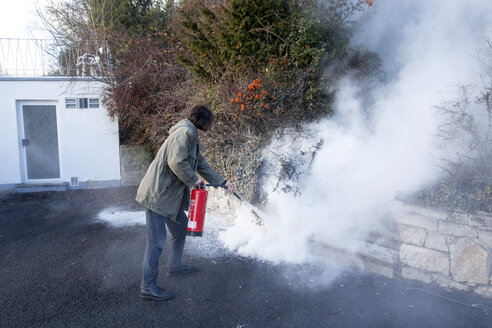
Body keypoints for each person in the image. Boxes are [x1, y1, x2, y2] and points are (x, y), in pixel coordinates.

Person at [135, 105, 234, 301]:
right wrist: (194, 181)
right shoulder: (185, 133)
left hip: (170, 197)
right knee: (156, 242)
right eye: (209, 123)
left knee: (179, 230)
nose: (209, 126)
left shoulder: (190, 135)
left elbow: (201, 164)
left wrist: (222, 182)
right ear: (203, 121)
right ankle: (147, 286)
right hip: (157, 195)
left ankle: (175, 265)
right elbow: (177, 162)